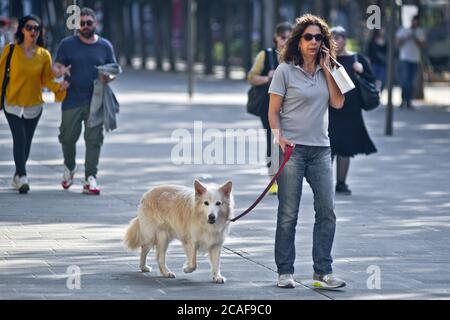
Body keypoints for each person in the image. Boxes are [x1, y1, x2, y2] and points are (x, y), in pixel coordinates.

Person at [268, 14, 346, 289]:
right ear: (298, 41)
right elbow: (273, 113)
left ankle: (322, 272)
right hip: (292, 150)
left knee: (327, 209)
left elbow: (338, 103)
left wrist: (327, 69)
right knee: (288, 212)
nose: (314, 42)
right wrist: (281, 141)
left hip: (321, 150)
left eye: (319, 37)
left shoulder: (330, 70)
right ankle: (285, 271)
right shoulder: (284, 71)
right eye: (308, 37)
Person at [0, 15, 68, 194]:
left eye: (36, 28)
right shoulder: (11, 50)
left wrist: (59, 86)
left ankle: (17, 175)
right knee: (19, 137)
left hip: (33, 104)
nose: (33, 31)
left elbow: (46, 80)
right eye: (29, 27)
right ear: (22, 29)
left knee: (26, 143)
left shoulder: (43, 55)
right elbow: (1, 76)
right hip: (12, 101)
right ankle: (22, 176)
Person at [53, 7, 118, 195]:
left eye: (89, 23)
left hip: (96, 101)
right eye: (82, 23)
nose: (85, 26)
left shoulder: (105, 46)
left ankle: (91, 177)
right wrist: (60, 71)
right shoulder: (67, 44)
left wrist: (109, 78)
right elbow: (57, 66)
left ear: (95, 24)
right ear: (77, 25)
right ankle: (69, 167)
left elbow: (113, 69)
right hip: (72, 99)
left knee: (94, 139)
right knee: (67, 138)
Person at [328, 26, 377, 195]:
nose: (336, 40)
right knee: (329, 147)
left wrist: (361, 70)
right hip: (331, 110)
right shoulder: (326, 60)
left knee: (346, 148)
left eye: (339, 37)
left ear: (345, 39)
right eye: (332, 37)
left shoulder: (357, 58)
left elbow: (372, 80)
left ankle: (341, 183)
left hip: (351, 110)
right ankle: (325, 184)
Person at [247, 22, 292, 195]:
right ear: (276, 38)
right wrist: (267, 78)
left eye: (288, 37)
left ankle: (287, 180)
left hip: (289, 106)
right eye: (282, 37)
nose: (285, 41)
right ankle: (273, 181)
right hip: (268, 106)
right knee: (272, 142)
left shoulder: (295, 57)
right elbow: (251, 77)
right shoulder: (265, 55)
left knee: (288, 142)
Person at [396, 15, 425, 109]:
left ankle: (409, 101)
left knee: (411, 82)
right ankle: (403, 100)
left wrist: (415, 38)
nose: (415, 23)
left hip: (415, 59)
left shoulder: (420, 31)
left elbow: (422, 45)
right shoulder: (404, 30)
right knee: (405, 81)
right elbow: (397, 43)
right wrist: (406, 38)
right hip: (405, 58)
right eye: (414, 21)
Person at [367, 28, 387, 92]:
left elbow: (387, 51)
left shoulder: (386, 41)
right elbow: (368, 52)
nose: (382, 30)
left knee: (381, 80)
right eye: (381, 29)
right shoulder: (372, 41)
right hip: (373, 63)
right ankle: (374, 94)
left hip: (382, 64)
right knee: (374, 80)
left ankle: (378, 94)